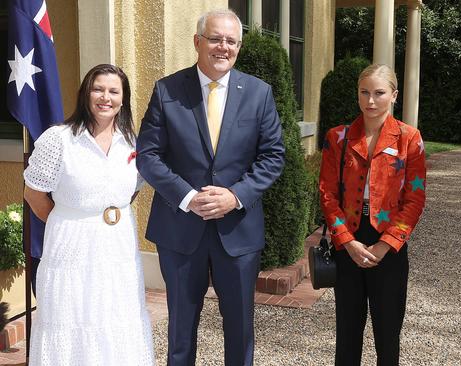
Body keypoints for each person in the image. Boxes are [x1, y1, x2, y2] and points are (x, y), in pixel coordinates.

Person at [136, 9, 285, 366]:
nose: (223, 47)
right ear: (197, 42)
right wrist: (187, 197)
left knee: (240, 331)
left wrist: (236, 196)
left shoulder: (258, 93)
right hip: (180, 230)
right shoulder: (167, 90)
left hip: (238, 232)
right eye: (216, 38)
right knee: (180, 334)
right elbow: (148, 155)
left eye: (231, 41)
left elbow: (273, 156)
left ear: (239, 46)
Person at [23, 64, 154, 365]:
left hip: (118, 245)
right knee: (71, 316)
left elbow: (130, 190)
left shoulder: (132, 142)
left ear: (123, 99)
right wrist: (68, 222)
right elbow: (34, 195)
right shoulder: (59, 139)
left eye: (113, 91)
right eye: (98, 89)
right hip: (71, 245)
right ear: (85, 93)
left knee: (116, 315)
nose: (105, 97)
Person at [319, 64, 426, 365]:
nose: (370, 101)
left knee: (388, 334)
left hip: (388, 245)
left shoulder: (409, 138)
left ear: (394, 95)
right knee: (347, 333)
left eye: (379, 93)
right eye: (364, 92)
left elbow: (415, 198)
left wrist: (386, 244)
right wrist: (347, 243)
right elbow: (327, 194)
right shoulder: (337, 138)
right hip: (348, 242)